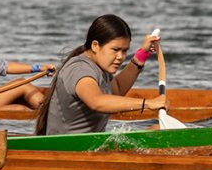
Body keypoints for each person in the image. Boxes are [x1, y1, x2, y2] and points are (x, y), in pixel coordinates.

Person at [34, 14, 168, 135]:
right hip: (65, 151)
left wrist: (142, 55)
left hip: (90, 147)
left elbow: (116, 88)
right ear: (95, 45)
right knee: (159, 132)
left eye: (125, 50)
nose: (120, 57)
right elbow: (96, 101)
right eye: (115, 50)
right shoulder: (79, 69)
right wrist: (148, 103)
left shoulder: (99, 67)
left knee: (158, 130)